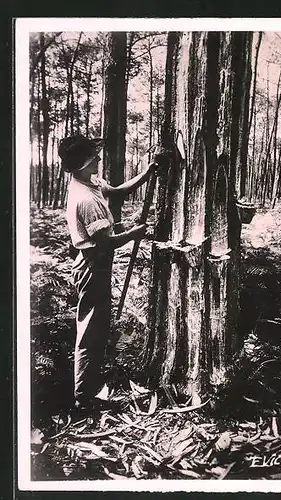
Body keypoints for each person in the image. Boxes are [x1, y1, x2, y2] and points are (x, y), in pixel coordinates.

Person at [58, 134, 159, 411]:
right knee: (90, 332)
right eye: (93, 157)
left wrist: (147, 173)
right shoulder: (84, 199)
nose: (99, 159)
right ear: (81, 164)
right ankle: (83, 399)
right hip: (92, 265)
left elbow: (117, 191)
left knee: (98, 329)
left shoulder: (91, 182)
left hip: (99, 263)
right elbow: (105, 242)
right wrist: (133, 233)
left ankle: (90, 387)